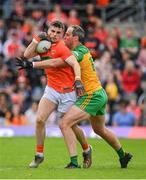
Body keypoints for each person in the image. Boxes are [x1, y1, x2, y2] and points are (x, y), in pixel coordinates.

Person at [17, 25, 132, 169]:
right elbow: (32, 54)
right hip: (97, 93)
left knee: (65, 123)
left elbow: (57, 62)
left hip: (91, 95)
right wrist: (36, 41)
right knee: (99, 130)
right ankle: (123, 155)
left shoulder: (78, 52)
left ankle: (74, 162)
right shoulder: (75, 49)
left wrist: (33, 64)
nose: (64, 37)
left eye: (67, 35)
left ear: (75, 38)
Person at [17, 21, 92, 168]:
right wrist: (36, 39)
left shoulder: (63, 48)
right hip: (51, 89)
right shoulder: (43, 44)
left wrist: (77, 79)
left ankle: (86, 149)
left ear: (62, 35)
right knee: (39, 120)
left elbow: (74, 64)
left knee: (70, 126)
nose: (54, 35)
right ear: (48, 31)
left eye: (58, 33)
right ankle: (39, 155)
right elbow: (26, 54)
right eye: (52, 31)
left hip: (68, 92)